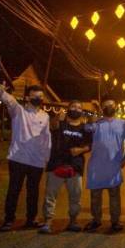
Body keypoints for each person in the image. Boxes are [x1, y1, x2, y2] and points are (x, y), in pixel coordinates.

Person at [0, 84, 52, 231]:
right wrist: (0, 90)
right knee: (14, 190)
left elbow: (47, 139)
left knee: (33, 192)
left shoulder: (45, 116)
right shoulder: (18, 111)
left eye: (41, 96)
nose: (38, 99)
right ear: (27, 97)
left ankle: (31, 219)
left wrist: (46, 158)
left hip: (37, 161)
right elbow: (9, 100)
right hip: (18, 159)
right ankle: (8, 220)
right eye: (35, 96)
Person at [83, 94, 125, 233]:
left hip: (114, 165)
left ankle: (115, 221)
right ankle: (96, 220)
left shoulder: (124, 124)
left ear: (116, 107)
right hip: (96, 166)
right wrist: (92, 116)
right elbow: (86, 129)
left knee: (114, 195)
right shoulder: (96, 124)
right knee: (95, 196)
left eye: (111, 105)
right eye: (106, 105)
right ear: (102, 108)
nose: (109, 107)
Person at [39, 100, 91, 234]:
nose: (76, 109)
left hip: (75, 167)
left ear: (82, 111)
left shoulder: (84, 128)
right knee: (50, 195)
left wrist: (80, 150)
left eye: (79, 107)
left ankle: (73, 221)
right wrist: (56, 117)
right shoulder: (59, 123)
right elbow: (51, 126)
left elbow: (90, 145)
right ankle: (47, 221)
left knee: (76, 196)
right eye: (73, 106)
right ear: (68, 109)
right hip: (56, 164)